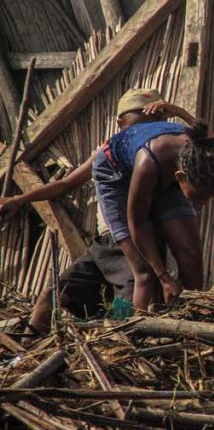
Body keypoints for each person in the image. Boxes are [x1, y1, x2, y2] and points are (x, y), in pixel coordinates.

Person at [0, 89, 182, 334]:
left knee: (128, 305)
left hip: (136, 244)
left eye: (154, 124)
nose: (144, 131)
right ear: (120, 123)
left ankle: (122, 346)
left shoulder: (161, 153)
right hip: (103, 246)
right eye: (138, 124)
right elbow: (65, 185)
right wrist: (19, 199)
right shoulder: (108, 152)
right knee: (52, 294)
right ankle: (27, 347)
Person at [93, 106, 214, 307]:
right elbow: (138, 224)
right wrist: (165, 277)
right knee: (144, 272)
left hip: (166, 168)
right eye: (199, 197)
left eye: (210, 198)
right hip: (116, 173)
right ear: (179, 178)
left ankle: (195, 320)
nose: (204, 204)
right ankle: (144, 331)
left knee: (191, 256)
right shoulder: (148, 163)